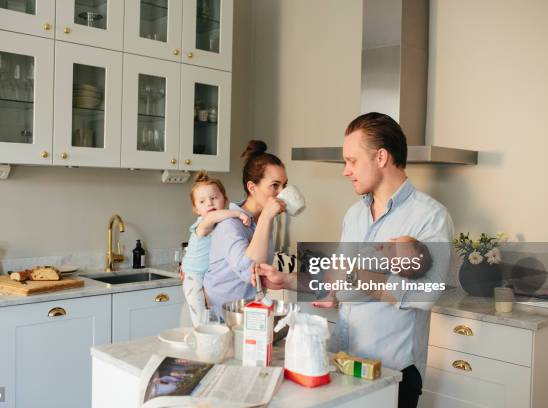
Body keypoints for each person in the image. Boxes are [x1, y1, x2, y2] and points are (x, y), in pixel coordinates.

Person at [254, 112, 453, 408]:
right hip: (342, 364)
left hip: (392, 374)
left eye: (352, 160)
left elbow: (423, 295)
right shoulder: (355, 214)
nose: (346, 171)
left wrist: (352, 276)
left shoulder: (430, 217)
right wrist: (290, 279)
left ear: (382, 157)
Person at [202, 140, 287, 316]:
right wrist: (266, 217)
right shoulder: (229, 225)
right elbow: (249, 272)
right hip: (220, 319)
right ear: (252, 187)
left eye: (284, 186)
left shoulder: (262, 220)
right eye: (275, 185)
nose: (281, 193)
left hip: (248, 313)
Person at [181, 171, 251, 327]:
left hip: (206, 276)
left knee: (210, 312)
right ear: (196, 209)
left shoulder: (225, 225)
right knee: (200, 318)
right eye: (202, 202)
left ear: (225, 200)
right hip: (193, 277)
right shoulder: (203, 223)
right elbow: (212, 217)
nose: (209, 204)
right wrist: (238, 213)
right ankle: (202, 338)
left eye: (214, 198)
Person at [312, 235, 433, 308]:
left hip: (343, 282)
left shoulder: (381, 262)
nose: (390, 241)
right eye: (395, 240)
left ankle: (330, 296)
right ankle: (330, 294)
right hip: (339, 280)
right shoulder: (383, 258)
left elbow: (356, 264)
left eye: (393, 247)